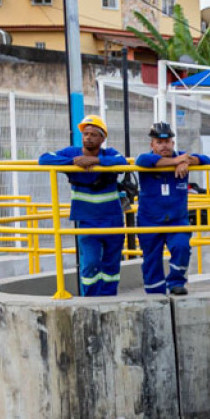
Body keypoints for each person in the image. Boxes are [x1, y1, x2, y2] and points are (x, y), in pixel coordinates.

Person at [38, 114, 130, 297]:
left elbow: (122, 162)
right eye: (85, 133)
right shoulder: (72, 153)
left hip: (112, 219)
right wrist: (74, 162)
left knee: (111, 263)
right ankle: (91, 298)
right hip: (87, 221)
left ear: (102, 138)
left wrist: (96, 161)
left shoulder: (109, 154)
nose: (88, 137)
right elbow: (44, 159)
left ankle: (109, 297)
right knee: (90, 263)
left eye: (93, 134)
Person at [133, 124, 210, 296]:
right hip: (149, 220)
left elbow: (207, 160)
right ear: (152, 145)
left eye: (167, 141)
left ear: (173, 142)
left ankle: (176, 282)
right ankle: (155, 293)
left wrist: (187, 160)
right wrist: (177, 162)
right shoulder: (145, 159)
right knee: (151, 259)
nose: (164, 146)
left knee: (182, 247)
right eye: (159, 142)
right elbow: (142, 161)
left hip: (177, 218)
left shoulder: (182, 157)